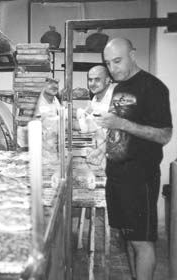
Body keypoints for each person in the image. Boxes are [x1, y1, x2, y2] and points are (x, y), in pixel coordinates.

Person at [95, 38, 172, 280]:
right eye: (108, 63)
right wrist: (101, 149)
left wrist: (121, 123)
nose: (113, 68)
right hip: (116, 174)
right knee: (128, 239)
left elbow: (164, 135)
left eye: (117, 61)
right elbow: (118, 131)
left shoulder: (153, 87)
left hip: (140, 177)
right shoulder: (118, 88)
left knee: (142, 242)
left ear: (133, 54)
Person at [74, 65, 116, 167]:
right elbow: (87, 115)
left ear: (107, 80)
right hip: (102, 154)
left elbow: (88, 124)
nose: (92, 84)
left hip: (117, 158)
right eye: (90, 80)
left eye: (97, 80)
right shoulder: (96, 97)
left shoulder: (115, 95)